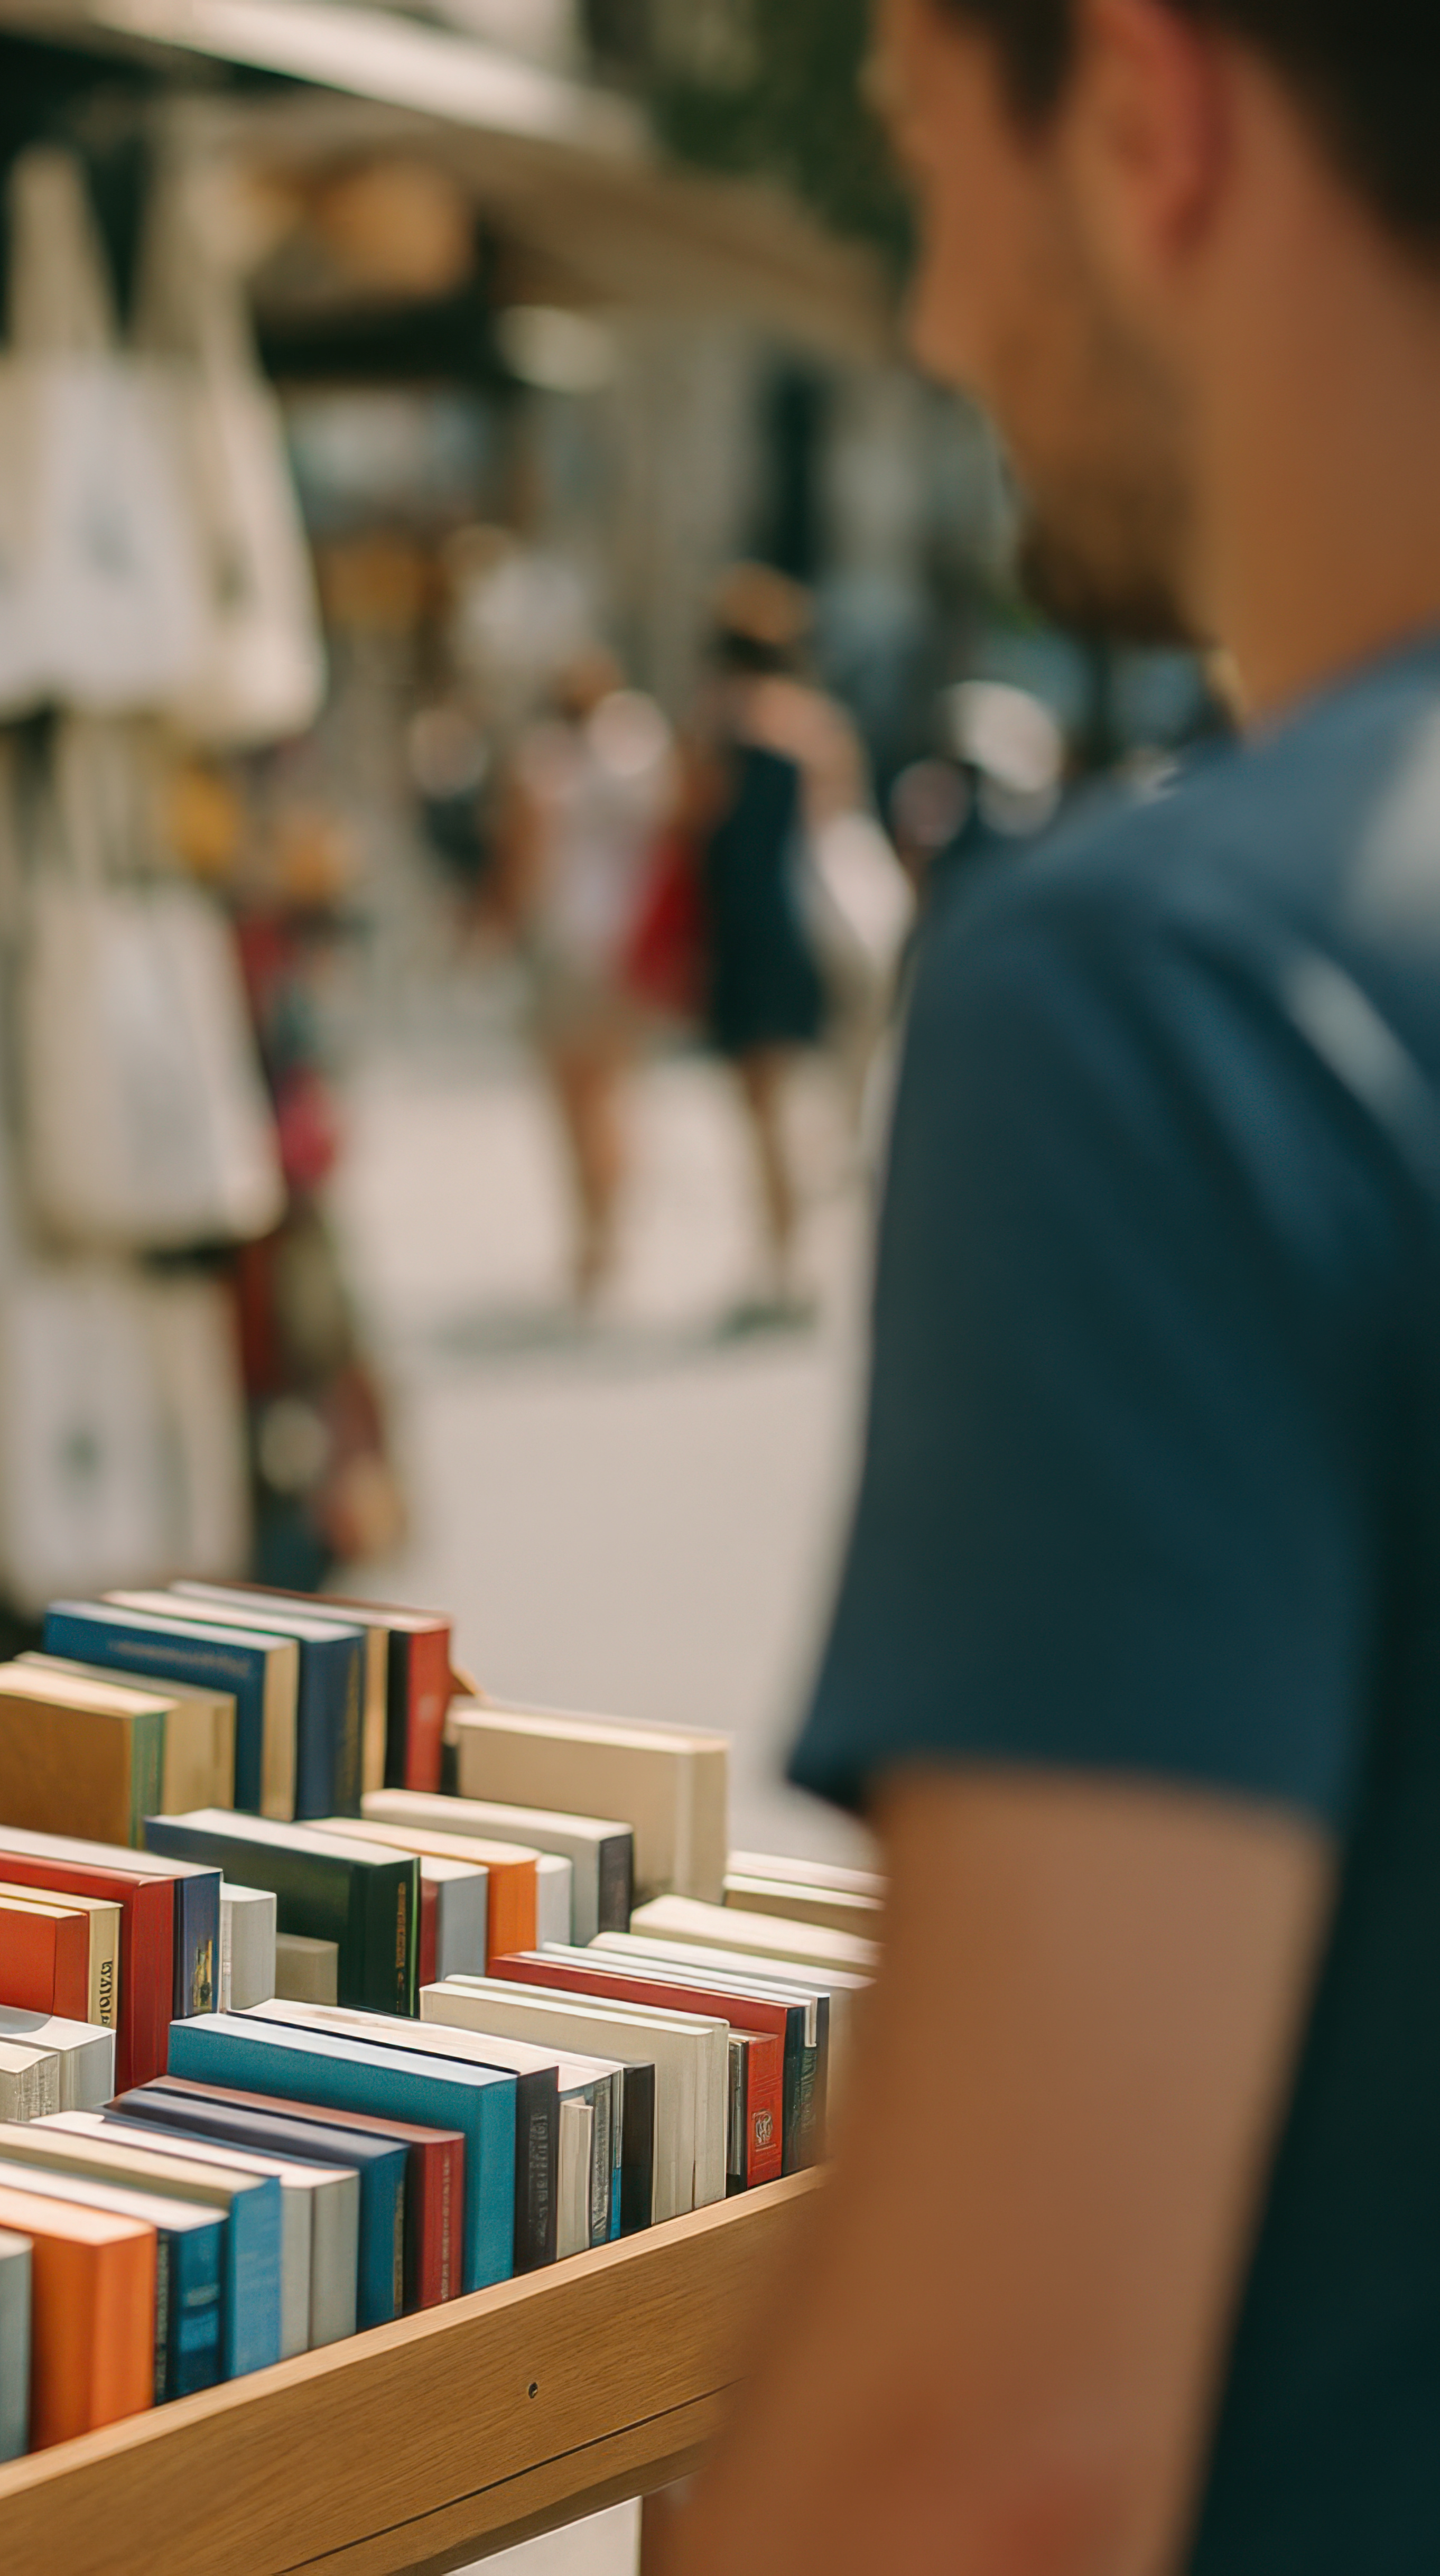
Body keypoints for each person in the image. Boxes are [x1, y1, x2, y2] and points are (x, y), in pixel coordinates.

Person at [679, 2, 1440, 2567]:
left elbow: (981, 2464)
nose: (928, 317)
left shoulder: (1180, 996)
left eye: (920, 164)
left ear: (1140, 111)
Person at [683, 566, 868, 1332]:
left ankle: (782, 1254)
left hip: (743, 925)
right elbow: (839, 816)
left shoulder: (718, 720)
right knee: (797, 1095)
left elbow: (691, 816)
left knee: (759, 1107)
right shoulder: (818, 724)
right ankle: (796, 1253)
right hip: (802, 923)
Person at [487, 646, 675, 1313]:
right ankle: (615, 1220)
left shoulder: (546, 765)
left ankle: (593, 1238)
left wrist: (499, 926)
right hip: (631, 944)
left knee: (574, 1102)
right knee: (616, 1091)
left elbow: (525, 859)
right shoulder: (643, 753)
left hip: (566, 944)